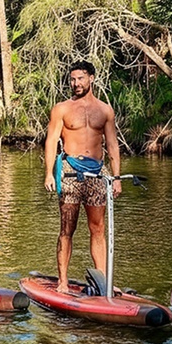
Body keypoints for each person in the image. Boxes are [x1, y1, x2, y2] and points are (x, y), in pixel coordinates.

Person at [44, 61, 122, 293]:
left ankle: (104, 282)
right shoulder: (62, 109)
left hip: (97, 172)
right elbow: (51, 141)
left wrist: (116, 177)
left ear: (91, 79)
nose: (76, 83)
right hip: (69, 171)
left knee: (97, 228)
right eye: (73, 79)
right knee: (67, 227)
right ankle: (63, 282)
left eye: (80, 78)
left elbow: (112, 144)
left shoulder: (105, 110)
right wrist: (49, 173)